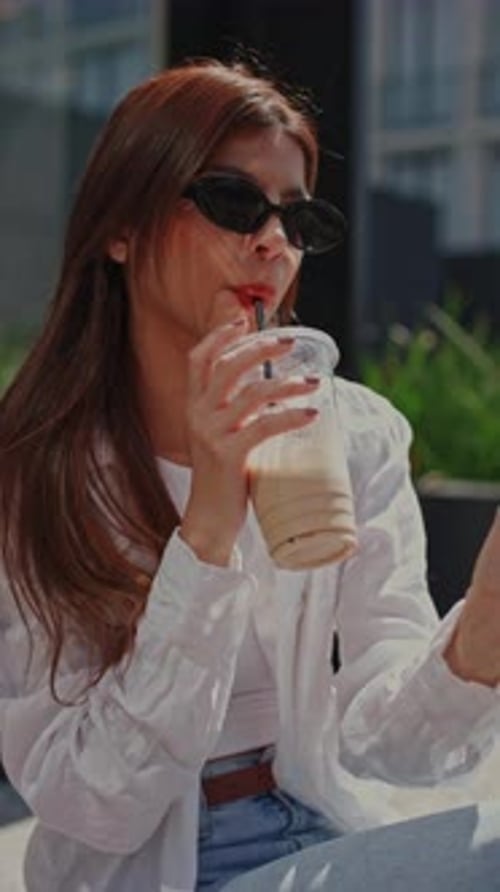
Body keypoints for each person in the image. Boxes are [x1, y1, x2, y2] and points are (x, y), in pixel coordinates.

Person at [0, 57, 500, 892]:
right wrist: (210, 527)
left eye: (300, 221)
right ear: (120, 231)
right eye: (234, 203)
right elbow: (91, 805)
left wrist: (484, 626)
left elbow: (391, 746)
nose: (273, 242)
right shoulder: (36, 471)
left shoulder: (354, 432)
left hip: (320, 830)